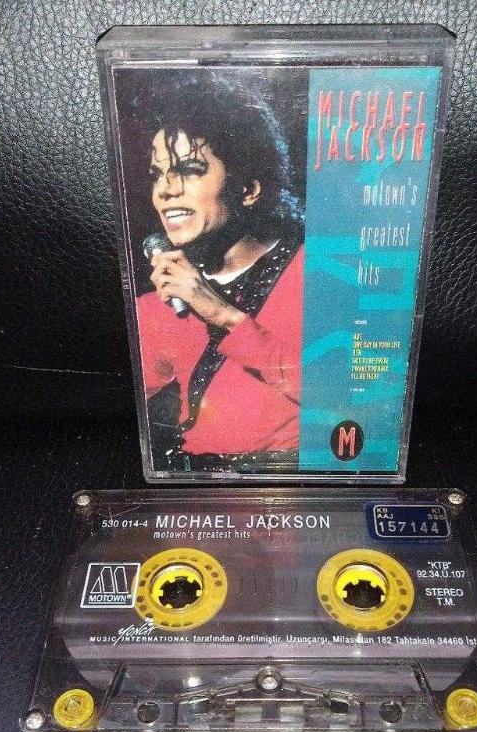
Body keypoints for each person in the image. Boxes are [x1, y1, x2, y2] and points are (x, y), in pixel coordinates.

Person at [133, 75, 304, 471]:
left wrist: (222, 315)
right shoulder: (160, 300)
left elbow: (342, 398)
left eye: (190, 169)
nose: (166, 190)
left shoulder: (311, 273)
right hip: (193, 483)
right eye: (158, 173)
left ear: (248, 188)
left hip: (291, 478)